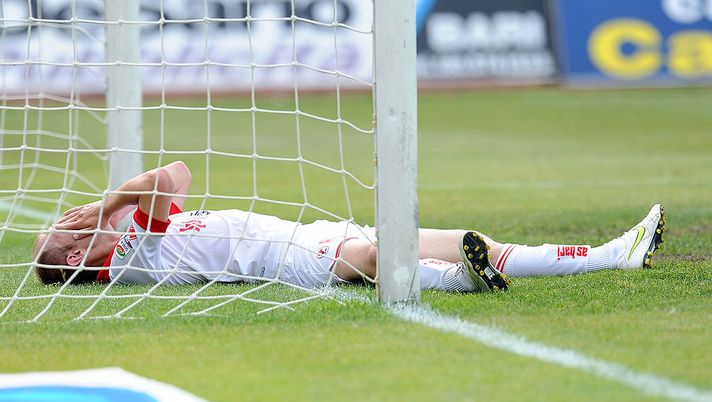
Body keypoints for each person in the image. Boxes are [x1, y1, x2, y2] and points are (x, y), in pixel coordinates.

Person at [32, 161, 666, 293]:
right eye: (62, 231)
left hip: (306, 233)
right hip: (289, 258)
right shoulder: (129, 257)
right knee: (371, 256)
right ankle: (461, 281)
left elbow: (170, 174)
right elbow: (171, 178)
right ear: (74, 259)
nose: (71, 218)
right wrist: (108, 205)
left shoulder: (133, 243)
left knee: (471, 241)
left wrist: (105, 210)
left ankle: (611, 255)